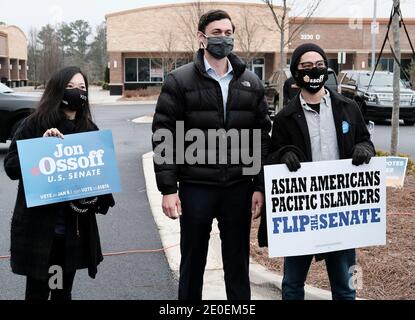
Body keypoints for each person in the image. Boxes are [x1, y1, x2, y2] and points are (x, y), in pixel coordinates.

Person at [152, 10, 271, 300]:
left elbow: (261, 137)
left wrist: (258, 185)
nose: (223, 38)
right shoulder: (179, 81)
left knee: (237, 265)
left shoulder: (250, 82)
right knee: (192, 264)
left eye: (228, 33)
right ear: (201, 37)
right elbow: (164, 134)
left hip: (238, 189)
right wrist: (168, 189)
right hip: (196, 188)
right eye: (216, 33)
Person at [259, 43, 375, 300]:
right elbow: (271, 156)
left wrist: (364, 149)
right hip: (301, 214)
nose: (314, 70)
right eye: (306, 66)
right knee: (291, 284)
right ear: (296, 73)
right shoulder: (285, 117)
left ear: (327, 69)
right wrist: (283, 155)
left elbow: (366, 141)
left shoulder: (348, 108)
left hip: (339, 213)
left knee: (345, 287)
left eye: (319, 65)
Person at [4, 66, 115, 300]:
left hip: (72, 233)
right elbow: (12, 167)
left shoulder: (89, 130)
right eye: (70, 87)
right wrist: (42, 148)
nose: (77, 92)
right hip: (40, 231)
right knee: (36, 293)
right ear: (58, 90)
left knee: (63, 292)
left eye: (82, 88)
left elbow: (102, 190)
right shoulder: (33, 124)